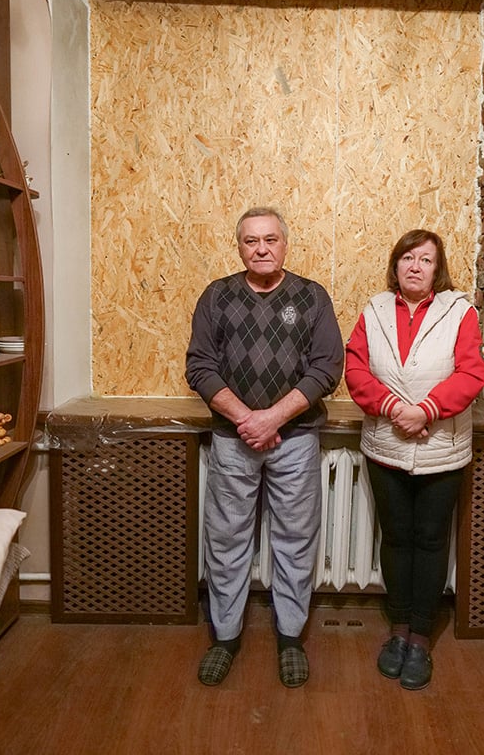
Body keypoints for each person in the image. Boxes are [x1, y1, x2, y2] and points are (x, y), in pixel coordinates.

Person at [186, 206, 344, 688]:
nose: (261, 249)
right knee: (227, 540)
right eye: (251, 241)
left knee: (295, 539)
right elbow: (199, 367)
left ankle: (290, 637)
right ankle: (225, 637)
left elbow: (326, 367)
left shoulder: (312, 297)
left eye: (270, 240)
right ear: (239, 247)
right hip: (233, 441)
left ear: (284, 245)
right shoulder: (217, 296)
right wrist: (247, 420)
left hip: (295, 439)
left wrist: (273, 418)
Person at [345, 229, 484, 690]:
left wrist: (425, 410)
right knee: (396, 538)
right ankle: (399, 630)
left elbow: (471, 373)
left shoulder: (459, 311)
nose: (415, 266)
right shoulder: (374, 311)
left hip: (441, 451)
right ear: (396, 264)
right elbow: (355, 369)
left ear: (437, 269)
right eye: (408, 257)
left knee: (429, 541)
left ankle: (421, 638)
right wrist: (394, 409)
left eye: (426, 259)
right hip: (385, 447)